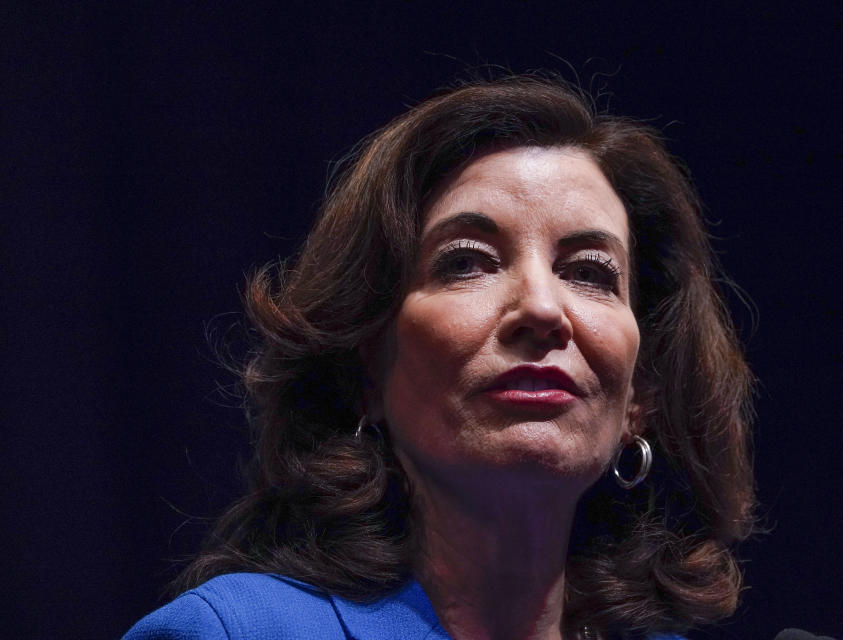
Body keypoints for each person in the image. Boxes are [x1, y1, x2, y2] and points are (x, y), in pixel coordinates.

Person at [123, 73, 755, 640]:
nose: (541, 307)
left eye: (590, 272)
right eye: (467, 262)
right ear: (364, 366)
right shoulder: (233, 634)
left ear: (640, 394)